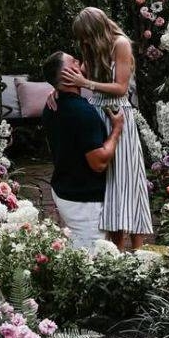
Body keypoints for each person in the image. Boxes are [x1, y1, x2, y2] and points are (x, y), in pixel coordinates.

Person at [61, 7, 153, 250]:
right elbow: (75, 75)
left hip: (118, 114)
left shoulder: (120, 44)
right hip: (97, 115)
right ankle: (115, 248)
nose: (84, 41)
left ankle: (139, 248)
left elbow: (121, 88)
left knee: (127, 180)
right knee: (108, 183)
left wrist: (86, 83)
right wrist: (56, 89)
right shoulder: (91, 47)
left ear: (97, 29)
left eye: (86, 35)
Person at [41, 51, 125, 249]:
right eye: (74, 61)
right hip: (83, 199)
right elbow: (98, 162)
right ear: (66, 74)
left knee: (77, 248)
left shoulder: (52, 106)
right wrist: (117, 130)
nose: (80, 62)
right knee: (90, 258)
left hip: (65, 188)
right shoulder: (82, 112)